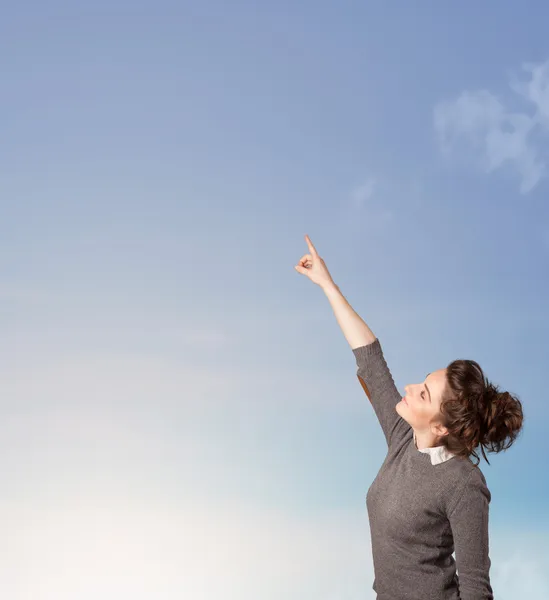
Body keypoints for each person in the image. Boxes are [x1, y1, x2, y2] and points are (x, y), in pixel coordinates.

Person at [295, 234, 524, 600]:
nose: (410, 386)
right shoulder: (404, 438)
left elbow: (476, 589)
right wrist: (327, 284)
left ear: (441, 425)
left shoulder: (463, 484)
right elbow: (370, 359)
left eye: (423, 393)